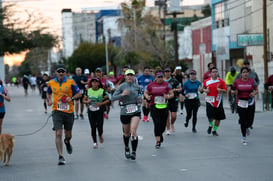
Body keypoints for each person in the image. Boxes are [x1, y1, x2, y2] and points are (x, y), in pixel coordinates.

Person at [47, 64, 82, 165]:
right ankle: (60, 156)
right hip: (56, 111)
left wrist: (71, 98)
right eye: (59, 71)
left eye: (63, 71)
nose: (61, 73)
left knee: (68, 135)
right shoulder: (51, 82)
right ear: (56, 73)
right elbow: (48, 93)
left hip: (68, 111)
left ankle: (67, 142)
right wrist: (49, 100)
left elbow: (79, 93)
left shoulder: (71, 81)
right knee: (58, 133)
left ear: (65, 72)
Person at [111, 69, 142, 160]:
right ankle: (127, 147)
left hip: (136, 110)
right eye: (128, 75)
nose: (129, 76)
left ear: (133, 76)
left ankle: (134, 152)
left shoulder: (137, 87)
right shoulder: (121, 87)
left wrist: (140, 100)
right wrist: (122, 95)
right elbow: (112, 98)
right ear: (125, 76)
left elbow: (140, 97)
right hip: (125, 111)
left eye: (131, 75)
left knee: (133, 131)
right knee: (126, 133)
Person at [144, 71, 174, 149]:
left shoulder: (166, 84)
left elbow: (172, 94)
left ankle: (160, 134)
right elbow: (146, 92)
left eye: (161, 77)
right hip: (154, 106)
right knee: (157, 123)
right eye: (158, 77)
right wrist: (147, 97)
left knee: (163, 124)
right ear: (155, 77)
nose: (160, 78)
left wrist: (168, 96)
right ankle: (158, 141)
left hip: (164, 107)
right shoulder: (151, 85)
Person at [231, 67, 258, 145]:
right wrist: (234, 92)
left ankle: (247, 127)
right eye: (244, 72)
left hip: (250, 102)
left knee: (250, 120)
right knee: (243, 120)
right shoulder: (237, 82)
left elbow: (256, 90)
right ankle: (243, 137)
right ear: (241, 74)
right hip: (240, 102)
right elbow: (232, 90)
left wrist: (254, 93)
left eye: (247, 72)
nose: (245, 74)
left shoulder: (252, 81)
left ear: (248, 73)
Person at [83, 77, 110, 149]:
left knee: (100, 126)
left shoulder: (102, 91)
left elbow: (108, 100)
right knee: (93, 126)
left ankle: (100, 134)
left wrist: (101, 104)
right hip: (91, 111)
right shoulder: (88, 91)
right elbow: (83, 100)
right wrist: (87, 102)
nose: (94, 83)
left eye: (96, 82)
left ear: (98, 83)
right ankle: (94, 142)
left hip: (100, 110)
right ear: (91, 83)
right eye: (93, 82)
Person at [203, 67, 227, 136]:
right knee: (211, 116)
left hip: (218, 101)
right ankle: (210, 125)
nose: (215, 73)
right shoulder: (206, 81)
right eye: (213, 72)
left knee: (218, 118)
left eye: (216, 72)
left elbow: (225, 90)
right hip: (210, 100)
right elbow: (202, 89)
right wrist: (205, 90)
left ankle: (214, 130)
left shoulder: (221, 81)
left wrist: (220, 90)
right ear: (211, 73)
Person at [163, 67, 181, 135]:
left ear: (170, 73)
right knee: (167, 115)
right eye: (166, 72)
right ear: (164, 73)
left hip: (173, 99)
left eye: (168, 72)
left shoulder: (174, 80)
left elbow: (180, 89)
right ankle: (168, 129)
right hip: (165, 99)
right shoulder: (162, 81)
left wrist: (174, 90)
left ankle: (172, 123)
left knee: (174, 116)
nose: (167, 73)